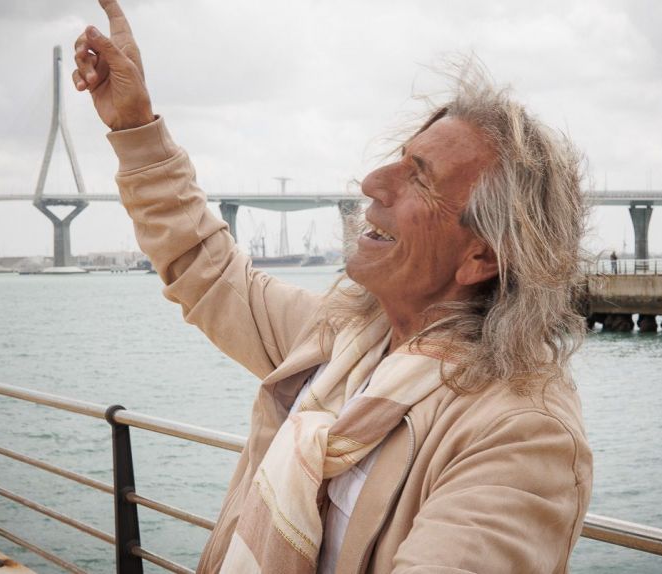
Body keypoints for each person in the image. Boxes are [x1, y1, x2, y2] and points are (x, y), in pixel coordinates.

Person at [74, 1, 592, 572]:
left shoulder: (522, 435)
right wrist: (134, 125)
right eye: (399, 160)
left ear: (481, 257)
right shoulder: (343, 338)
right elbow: (209, 270)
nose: (371, 182)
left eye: (419, 178)